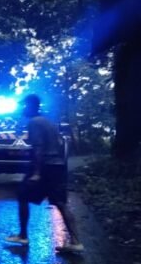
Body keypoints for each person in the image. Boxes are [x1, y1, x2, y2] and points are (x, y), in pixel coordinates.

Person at [5, 94, 84, 252]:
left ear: (32, 106)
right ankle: (76, 242)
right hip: (57, 166)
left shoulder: (34, 122)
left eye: (25, 105)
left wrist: (36, 173)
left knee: (22, 194)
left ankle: (23, 235)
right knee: (61, 203)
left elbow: (38, 148)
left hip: (44, 167)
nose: (23, 108)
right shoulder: (49, 122)